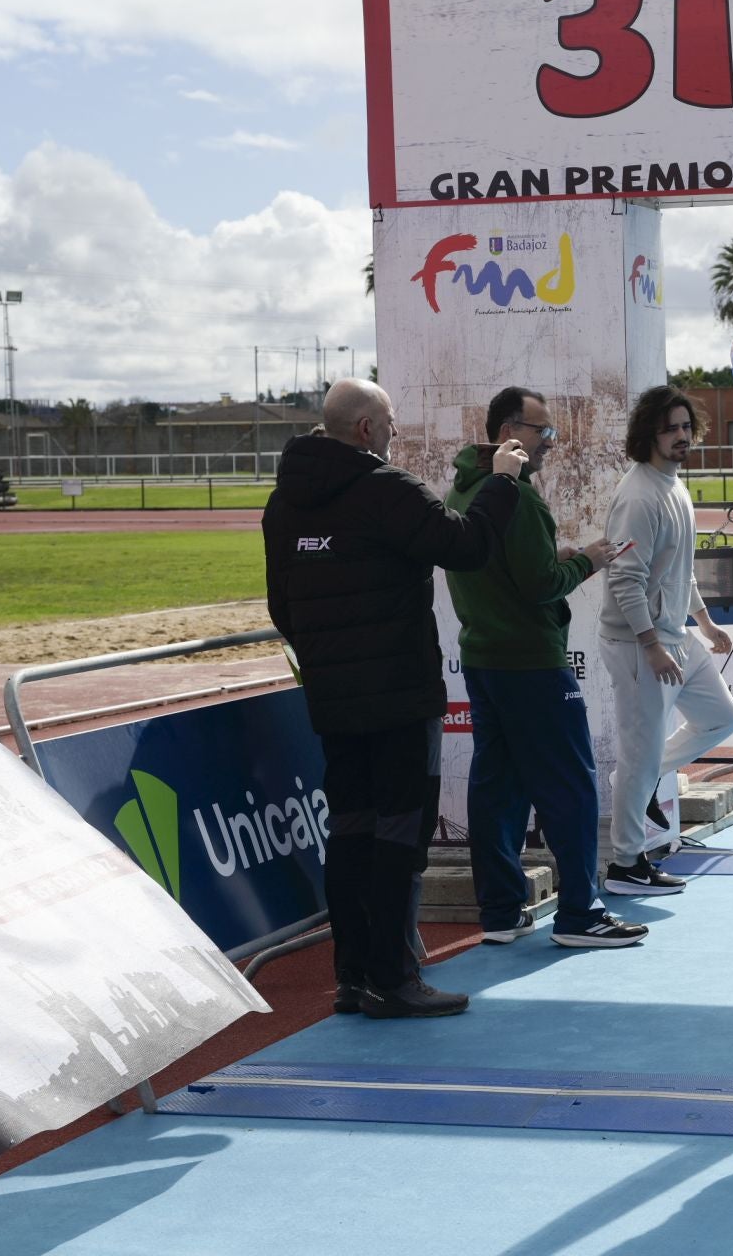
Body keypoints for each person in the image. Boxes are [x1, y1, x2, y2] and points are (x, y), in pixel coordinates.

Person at [264, 379, 524, 1019]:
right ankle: (394, 977)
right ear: (364, 430)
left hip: (334, 698)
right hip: (402, 698)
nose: (394, 435)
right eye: (389, 423)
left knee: (350, 833)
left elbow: (281, 606)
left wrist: (331, 660)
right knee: (399, 839)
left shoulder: (284, 503)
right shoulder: (386, 489)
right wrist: (503, 482)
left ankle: (353, 978)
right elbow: (466, 546)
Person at [443, 387, 647, 950]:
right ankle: (580, 914)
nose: (552, 443)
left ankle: (502, 912)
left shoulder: (463, 489)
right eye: (544, 432)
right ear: (511, 431)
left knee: (497, 788)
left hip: (484, 659)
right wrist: (588, 560)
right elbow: (538, 587)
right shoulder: (520, 500)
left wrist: (556, 560)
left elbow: (500, 569)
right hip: (531, 663)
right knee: (571, 789)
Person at [599, 385, 733, 896]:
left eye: (686, 427)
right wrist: (651, 645)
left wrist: (703, 622)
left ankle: (634, 783)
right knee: (638, 754)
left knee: (723, 718)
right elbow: (625, 578)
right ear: (649, 435)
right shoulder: (639, 496)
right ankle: (626, 867)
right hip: (639, 643)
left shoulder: (675, 486)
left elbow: (679, 570)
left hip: (675, 634)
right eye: (670, 428)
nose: (682, 436)